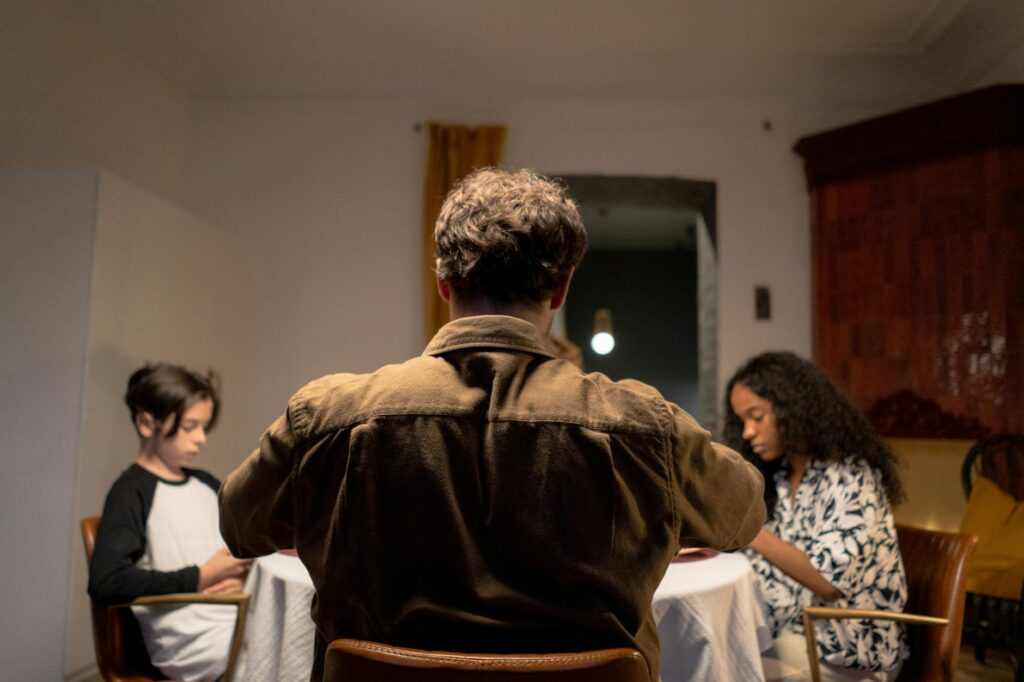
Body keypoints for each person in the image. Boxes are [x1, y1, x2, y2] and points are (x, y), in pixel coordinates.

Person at [219, 167, 766, 682]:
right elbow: (743, 514)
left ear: (443, 283)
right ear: (561, 290)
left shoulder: (326, 417)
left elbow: (238, 525)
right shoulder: (643, 427)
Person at [723, 351, 909, 682]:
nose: (748, 432)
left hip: (853, 650)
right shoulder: (781, 476)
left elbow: (827, 583)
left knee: (723, 673)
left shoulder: (851, 476)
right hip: (800, 634)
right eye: (742, 422)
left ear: (793, 407)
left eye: (757, 417)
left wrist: (747, 526)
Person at [88, 363, 250, 682]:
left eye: (204, 426)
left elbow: (239, 543)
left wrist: (241, 578)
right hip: (193, 642)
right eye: (190, 426)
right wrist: (199, 578)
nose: (201, 438)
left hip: (234, 617)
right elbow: (106, 581)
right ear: (147, 423)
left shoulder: (206, 484)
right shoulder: (130, 493)